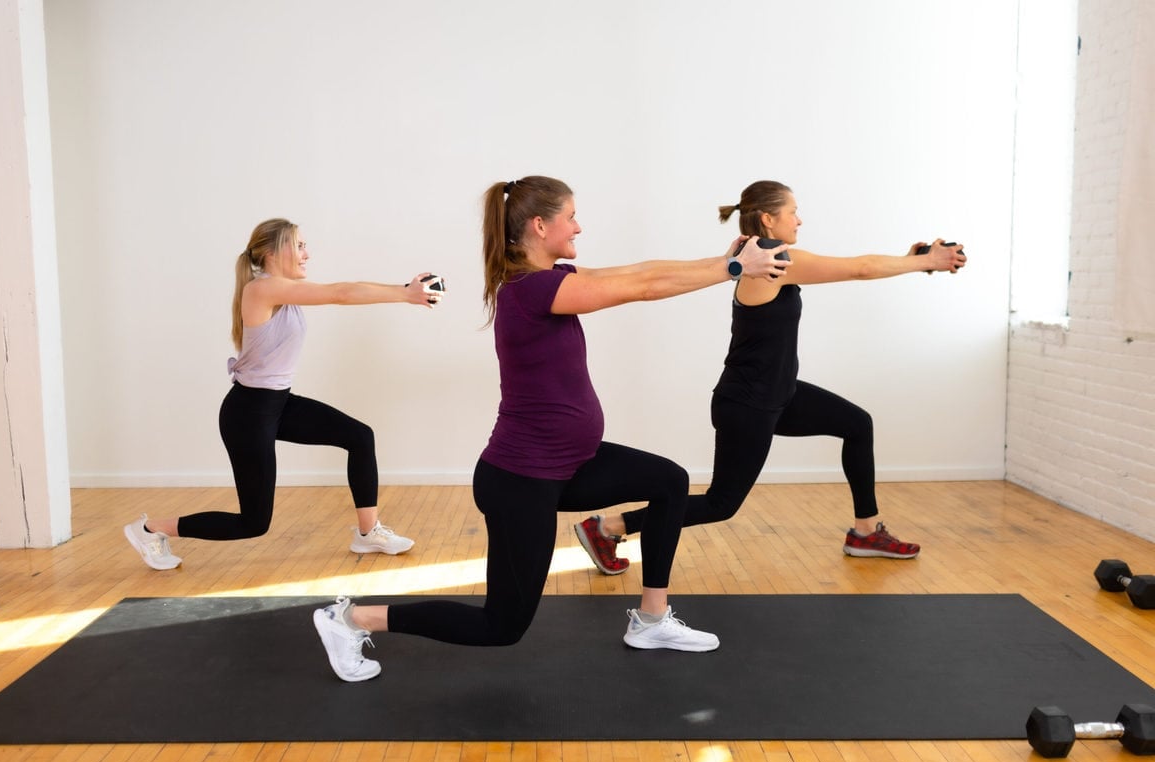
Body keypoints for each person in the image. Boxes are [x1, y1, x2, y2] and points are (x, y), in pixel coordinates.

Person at [311, 176, 788, 681]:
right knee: (502, 625)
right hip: (522, 480)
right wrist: (734, 268)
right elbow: (643, 289)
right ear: (540, 225)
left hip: (569, 464)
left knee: (668, 481)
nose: (579, 225)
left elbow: (641, 271)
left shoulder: (550, 277)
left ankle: (651, 619)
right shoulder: (532, 289)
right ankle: (350, 618)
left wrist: (723, 258)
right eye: (571, 216)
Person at [573, 180, 967, 575]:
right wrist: (925, 262)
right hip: (748, 405)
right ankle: (607, 527)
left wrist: (909, 259)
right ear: (767, 218)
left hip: (781, 395)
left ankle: (864, 532)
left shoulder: (766, 257)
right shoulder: (768, 256)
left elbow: (861, 266)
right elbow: (858, 268)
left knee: (857, 424)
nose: (799, 219)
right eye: (792, 211)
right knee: (720, 505)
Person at [123, 218, 443, 570]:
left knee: (359, 436)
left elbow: (348, 287)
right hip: (248, 413)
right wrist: (404, 295)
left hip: (278, 404)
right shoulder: (262, 290)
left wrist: (404, 288)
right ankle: (151, 528)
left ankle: (368, 534)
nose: (307, 253)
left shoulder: (283, 291)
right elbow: (341, 292)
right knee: (253, 523)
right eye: (300, 245)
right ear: (272, 253)